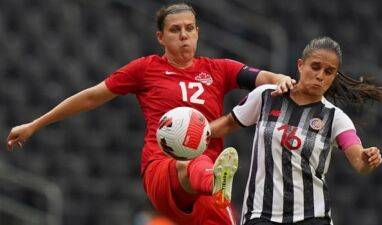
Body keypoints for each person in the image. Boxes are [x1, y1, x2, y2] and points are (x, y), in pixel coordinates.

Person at [6, 3, 296, 225]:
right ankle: (213, 179)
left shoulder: (218, 69)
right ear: (160, 36)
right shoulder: (145, 69)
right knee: (187, 163)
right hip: (161, 166)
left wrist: (281, 80)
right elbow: (92, 96)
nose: (183, 35)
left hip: (207, 171)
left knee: (203, 166)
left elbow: (263, 77)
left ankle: (213, 181)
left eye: (189, 28)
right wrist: (36, 123)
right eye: (175, 30)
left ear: (197, 32)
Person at [210, 37, 382, 225]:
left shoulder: (335, 117)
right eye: (315, 67)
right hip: (260, 214)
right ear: (301, 65)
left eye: (328, 71)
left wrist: (367, 158)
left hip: (312, 217)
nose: (320, 75)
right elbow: (228, 124)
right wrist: (198, 134)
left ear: (334, 76)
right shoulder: (268, 95)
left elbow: (359, 159)